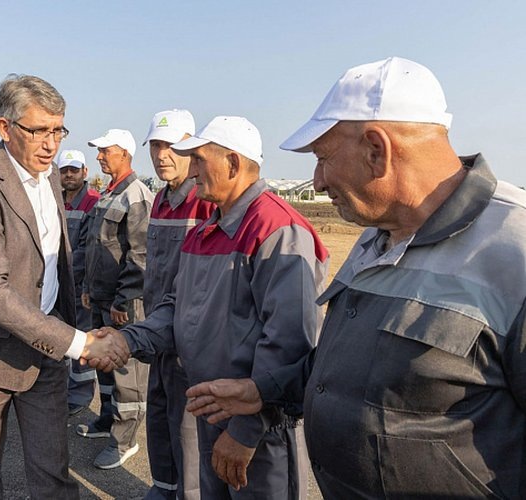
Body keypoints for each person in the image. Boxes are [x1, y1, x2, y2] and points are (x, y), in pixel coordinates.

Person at [186, 57, 526, 499]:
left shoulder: (513, 254)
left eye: (324, 158)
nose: (318, 181)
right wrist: (262, 391)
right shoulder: (374, 238)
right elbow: (343, 365)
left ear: (376, 149)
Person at [96, 116, 329, 498]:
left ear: (233, 164)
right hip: (210, 412)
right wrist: (127, 340)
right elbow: (177, 308)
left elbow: (289, 344)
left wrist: (245, 430)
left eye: (200, 160)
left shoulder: (277, 229)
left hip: (257, 427)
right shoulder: (206, 232)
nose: (193, 170)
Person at [0, 74, 128, 499]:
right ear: (5, 128)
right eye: (38, 130)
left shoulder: (51, 177)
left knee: (53, 477)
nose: (50, 144)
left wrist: (67, 331)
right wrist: (79, 343)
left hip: (44, 357)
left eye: (57, 130)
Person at [141, 109, 215, 500]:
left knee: (187, 428)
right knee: (158, 413)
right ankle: (163, 486)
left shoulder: (205, 199)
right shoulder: (160, 199)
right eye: (155, 145)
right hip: (158, 329)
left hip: (189, 336)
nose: (162, 154)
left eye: (170, 146)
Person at [78, 128, 154, 470]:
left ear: (123, 153)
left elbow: (139, 254)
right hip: (101, 297)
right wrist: (89, 290)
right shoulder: (109, 193)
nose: (98, 156)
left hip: (123, 304)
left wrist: (123, 300)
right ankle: (107, 419)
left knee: (127, 370)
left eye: (104, 151)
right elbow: (98, 247)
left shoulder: (136, 195)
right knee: (103, 364)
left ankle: (125, 440)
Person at [58, 149, 101, 415]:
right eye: (64, 170)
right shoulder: (55, 200)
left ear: (85, 172)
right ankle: (62, 390)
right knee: (61, 340)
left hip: (80, 284)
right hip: (58, 285)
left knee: (82, 342)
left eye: (74, 169)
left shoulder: (93, 202)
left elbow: (88, 249)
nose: (69, 174)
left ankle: (81, 396)